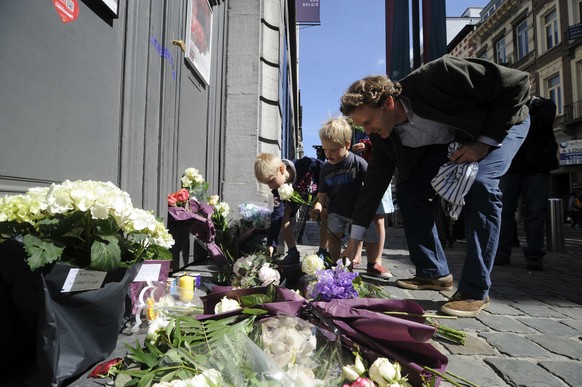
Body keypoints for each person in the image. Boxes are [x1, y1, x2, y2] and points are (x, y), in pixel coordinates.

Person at [339, 55, 531, 318]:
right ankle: (433, 272)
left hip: (504, 123)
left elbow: (518, 83)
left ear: (388, 103)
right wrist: (354, 239)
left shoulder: (441, 73)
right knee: (409, 192)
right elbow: (372, 186)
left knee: (481, 184)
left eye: (368, 122)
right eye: (362, 126)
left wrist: (483, 143)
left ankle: (475, 291)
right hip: (456, 140)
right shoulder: (384, 138)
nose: (367, 131)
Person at [310, 117, 391, 278]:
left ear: (347, 145)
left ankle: (373, 263)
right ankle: (336, 265)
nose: (328, 154)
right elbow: (321, 195)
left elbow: (371, 186)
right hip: (336, 210)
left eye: (333, 150)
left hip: (358, 212)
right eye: (325, 150)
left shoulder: (358, 163)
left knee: (372, 239)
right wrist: (317, 208)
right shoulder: (326, 169)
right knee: (333, 237)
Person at [495, 75, 558, 271]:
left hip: (537, 168)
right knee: (504, 212)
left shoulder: (544, 105)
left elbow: (536, 126)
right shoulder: (506, 107)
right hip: (510, 167)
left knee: (535, 213)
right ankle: (502, 252)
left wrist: (519, 109)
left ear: (531, 84)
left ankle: (534, 254)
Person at [254, 153, 328, 263]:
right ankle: (293, 252)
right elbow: (277, 215)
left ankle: (323, 251)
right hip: (296, 195)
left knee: (325, 214)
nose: (270, 186)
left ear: (281, 169)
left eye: (271, 181)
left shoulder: (306, 164)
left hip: (318, 192)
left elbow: (326, 170)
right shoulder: (278, 190)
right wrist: (271, 243)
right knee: (284, 217)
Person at [351, 131, 395, 277]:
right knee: (360, 217)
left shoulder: (375, 122)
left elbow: (387, 140)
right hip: (360, 176)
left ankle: (377, 258)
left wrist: (367, 145)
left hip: (379, 175)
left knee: (378, 219)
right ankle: (357, 254)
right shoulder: (354, 128)